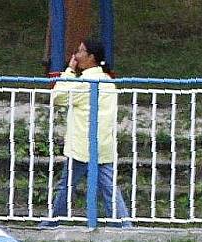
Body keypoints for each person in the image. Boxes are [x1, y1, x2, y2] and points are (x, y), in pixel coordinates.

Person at [39, 38, 132, 228]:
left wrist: (70, 71)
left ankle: (53, 221)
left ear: (91, 57)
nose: (76, 55)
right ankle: (124, 226)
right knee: (108, 188)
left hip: (82, 146)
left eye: (81, 51)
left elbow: (57, 97)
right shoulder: (108, 81)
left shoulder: (86, 82)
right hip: (103, 144)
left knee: (67, 186)